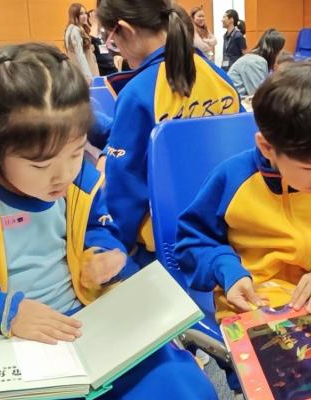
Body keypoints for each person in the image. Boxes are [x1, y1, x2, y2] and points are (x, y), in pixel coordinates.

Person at [0, 43, 216, 400]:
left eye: (75, 153)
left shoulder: (82, 182)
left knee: (181, 384)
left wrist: (102, 253)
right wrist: (4, 311)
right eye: (40, 164)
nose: (63, 176)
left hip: (84, 326)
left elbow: (99, 228)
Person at [175, 61, 311, 322]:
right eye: (308, 168)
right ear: (267, 147)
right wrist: (228, 271)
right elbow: (193, 242)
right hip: (252, 297)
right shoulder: (232, 179)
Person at [96, 0, 243, 267]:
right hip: (224, 234)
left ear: (125, 30)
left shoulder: (139, 91)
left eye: (111, 40)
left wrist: (116, 246)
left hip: (164, 248)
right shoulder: (220, 76)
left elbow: (125, 188)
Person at [228, 28, 285, 97]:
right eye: (279, 51)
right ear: (275, 51)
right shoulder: (256, 62)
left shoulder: (255, 59)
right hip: (236, 101)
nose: (280, 54)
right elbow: (258, 96)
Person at [65, 3, 99, 81]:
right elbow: (80, 55)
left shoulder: (78, 28)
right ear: (74, 15)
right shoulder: (75, 30)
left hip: (87, 66)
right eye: (81, 14)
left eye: (85, 13)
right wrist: (88, 75)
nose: (85, 16)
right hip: (84, 71)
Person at [88, 9, 118, 76]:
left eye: (97, 16)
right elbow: (92, 39)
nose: (96, 19)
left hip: (111, 63)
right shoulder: (90, 33)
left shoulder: (104, 30)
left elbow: (112, 44)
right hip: (100, 66)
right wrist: (94, 25)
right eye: (94, 17)